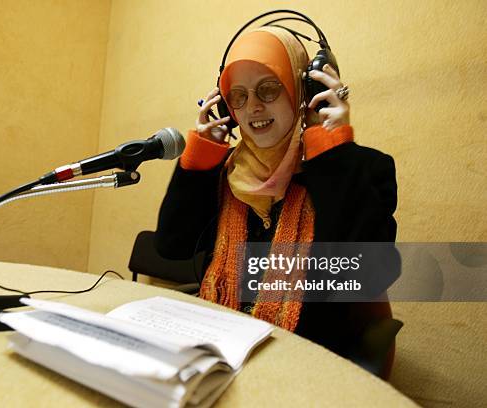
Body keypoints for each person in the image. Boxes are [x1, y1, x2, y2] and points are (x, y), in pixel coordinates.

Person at [154, 26, 399, 378]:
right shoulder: (223, 175)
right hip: (219, 358)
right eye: (237, 96)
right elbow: (171, 246)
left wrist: (332, 152)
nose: (253, 106)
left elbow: (367, 273)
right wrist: (199, 159)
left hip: (308, 369)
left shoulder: (358, 169)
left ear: (303, 91)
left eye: (268, 89)